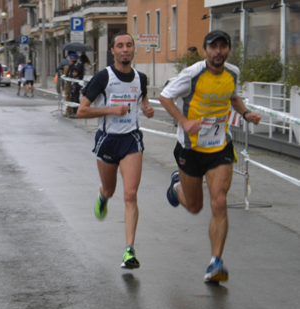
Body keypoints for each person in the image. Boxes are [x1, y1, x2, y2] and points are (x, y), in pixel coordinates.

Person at [159, 30, 261, 283]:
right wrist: (184, 121)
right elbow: (165, 96)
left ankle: (216, 262)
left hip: (219, 147)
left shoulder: (232, 73)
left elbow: (233, 96)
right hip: (190, 149)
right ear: (205, 50)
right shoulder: (192, 74)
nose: (218, 52)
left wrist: (246, 113)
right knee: (195, 207)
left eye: (223, 47)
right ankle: (176, 187)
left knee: (219, 201)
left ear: (228, 50)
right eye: (213, 47)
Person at [78, 32, 155, 269]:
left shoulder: (141, 78)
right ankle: (102, 196)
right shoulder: (103, 78)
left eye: (129, 45)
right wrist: (111, 110)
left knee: (130, 195)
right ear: (112, 51)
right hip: (108, 140)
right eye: (120, 46)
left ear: (133, 50)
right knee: (111, 190)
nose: (125, 49)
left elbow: (142, 101)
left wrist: (147, 108)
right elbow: (81, 111)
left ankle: (129, 251)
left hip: (131, 140)